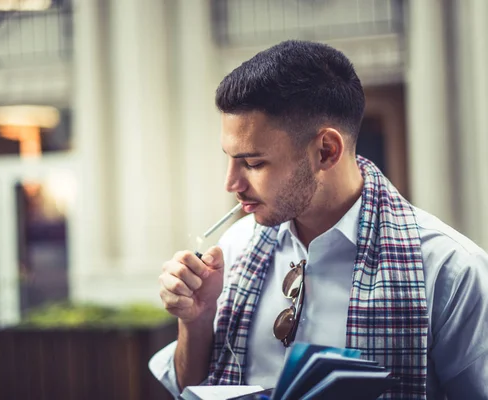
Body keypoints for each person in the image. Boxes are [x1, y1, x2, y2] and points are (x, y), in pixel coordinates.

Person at [149, 40, 488, 399]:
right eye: (230, 159)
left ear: (326, 151)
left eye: (253, 163)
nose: (231, 183)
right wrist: (196, 320)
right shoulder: (234, 247)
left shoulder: (450, 269)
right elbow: (190, 390)